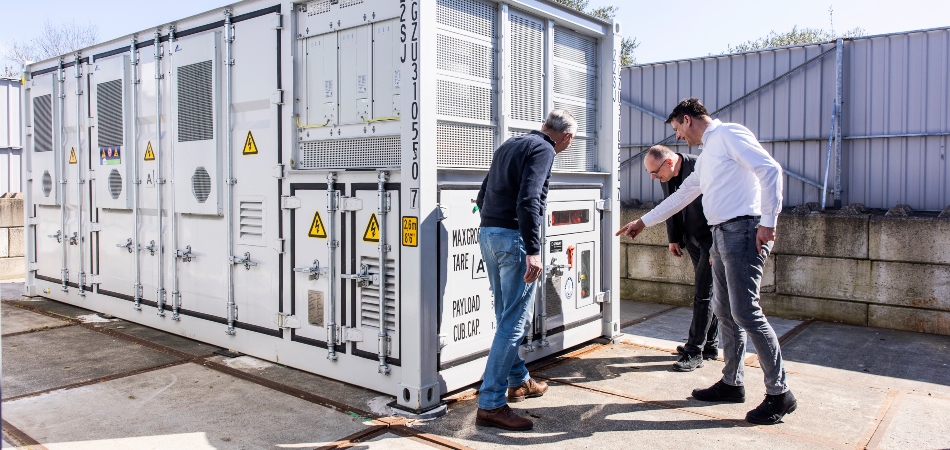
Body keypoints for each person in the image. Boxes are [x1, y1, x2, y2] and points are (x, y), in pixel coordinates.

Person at [616, 98, 797, 425]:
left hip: (744, 229)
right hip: (722, 235)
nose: (679, 138)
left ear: (688, 119)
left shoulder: (728, 134)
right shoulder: (708, 156)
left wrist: (769, 221)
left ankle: (779, 394)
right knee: (725, 312)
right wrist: (643, 222)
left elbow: (769, 170)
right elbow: (682, 195)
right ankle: (732, 383)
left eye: (677, 130)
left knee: (746, 311)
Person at [474, 109, 577, 431]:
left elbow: (482, 192)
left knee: (506, 314)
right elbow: (530, 199)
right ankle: (491, 403)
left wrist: (492, 224)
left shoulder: (510, 144)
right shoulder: (544, 149)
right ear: (566, 137)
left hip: (489, 234)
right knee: (515, 322)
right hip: (514, 239)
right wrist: (533, 250)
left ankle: (520, 381)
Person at [643, 145, 719, 372]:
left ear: (668, 162)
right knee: (707, 293)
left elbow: (718, 205)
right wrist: (673, 238)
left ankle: (694, 351)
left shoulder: (700, 167)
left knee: (703, 295)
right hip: (691, 238)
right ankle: (710, 346)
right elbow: (669, 207)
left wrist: (717, 246)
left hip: (710, 241)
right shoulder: (666, 175)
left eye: (655, 173)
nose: (654, 178)